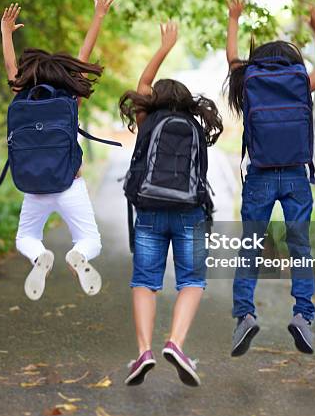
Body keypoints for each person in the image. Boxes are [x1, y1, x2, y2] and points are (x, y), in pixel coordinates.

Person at [120, 22, 223, 387]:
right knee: (192, 280)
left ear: (155, 101)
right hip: (189, 212)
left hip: (149, 210)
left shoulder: (147, 120)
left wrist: (164, 48)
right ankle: (176, 344)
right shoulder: (195, 126)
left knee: (145, 283)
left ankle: (144, 351)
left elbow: (142, 85)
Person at [226, 0, 315, 356]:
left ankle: (244, 316)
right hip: (296, 177)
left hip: (260, 177)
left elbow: (232, 59)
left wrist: (234, 18)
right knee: (300, 247)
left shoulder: (248, 80)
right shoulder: (300, 80)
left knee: (251, 248)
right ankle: (302, 315)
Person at [0, 0, 115, 301]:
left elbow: (11, 70)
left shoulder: (21, 98)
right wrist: (99, 15)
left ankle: (39, 256)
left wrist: (6, 33)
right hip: (69, 183)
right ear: (63, 76)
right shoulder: (69, 99)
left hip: (34, 188)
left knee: (26, 236)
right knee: (91, 240)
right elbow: (83, 56)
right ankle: (78, 255)